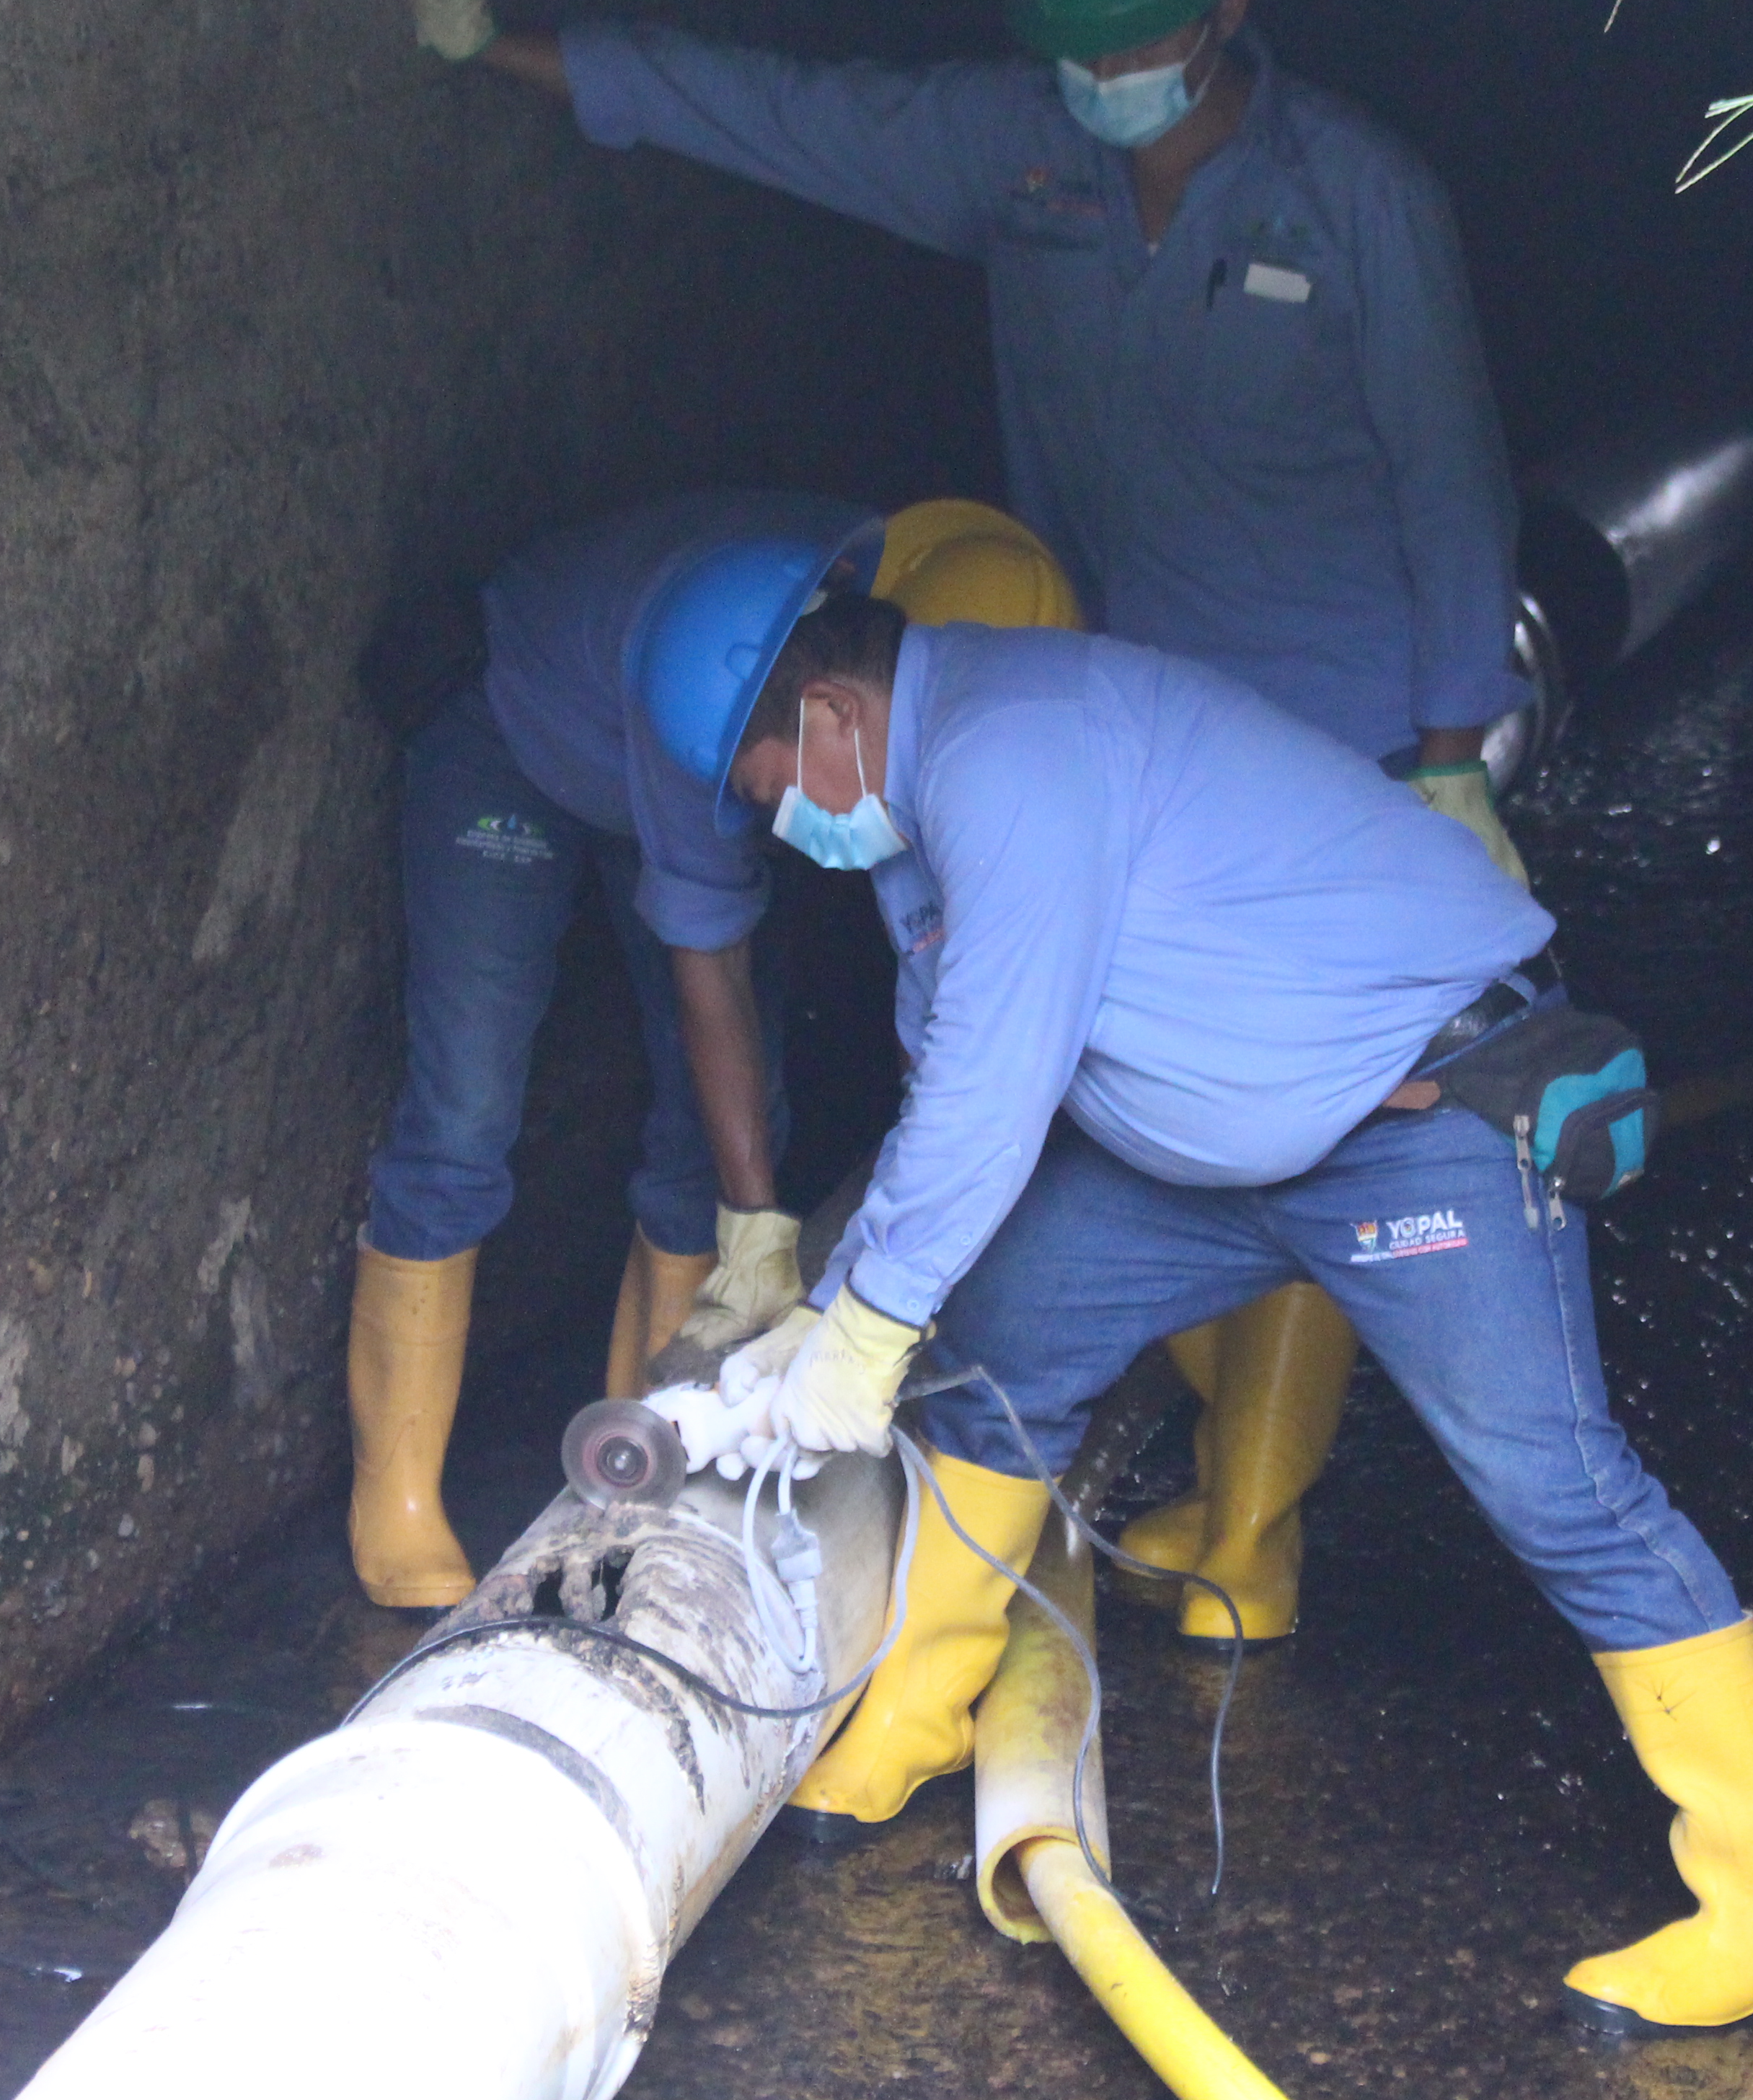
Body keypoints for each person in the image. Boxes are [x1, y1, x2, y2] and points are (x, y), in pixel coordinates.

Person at [410, 0, 1534, 1644]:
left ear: (1225, 16)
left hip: (1336, 734)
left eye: (1131, 39)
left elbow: (1454, 471)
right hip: (1117, 710)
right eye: (1076, 44)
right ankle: (1097, 1485)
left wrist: (1451, 747)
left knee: (1326, 1101)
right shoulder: (1017, 149)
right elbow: (778, 108)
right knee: (1123, 1104)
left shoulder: (1361, 192)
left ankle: (1254, 1521)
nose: (1102, 82)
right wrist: (502, 47)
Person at [635, 542, 1753, 2036]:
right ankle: (920, 1713)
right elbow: (949, 1074)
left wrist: (861, 1321)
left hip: (1424, 1115)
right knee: (1000, 1333)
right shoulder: (927, 805)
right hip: (1219, 1153)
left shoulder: (1012, 756)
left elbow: (992, 1088)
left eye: (764, 787)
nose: (776, 821)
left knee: (1562, 1490)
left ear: (825, 712)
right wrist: (856, 1302)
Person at [342, 493, 1052, 1608]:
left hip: (672, 750)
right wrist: (756, 1224)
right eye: (768, 789)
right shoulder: (711, 706)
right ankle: (398, 1503)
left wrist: (750, 1209)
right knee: (468, 1104)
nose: (783, 812)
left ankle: (641, 1460)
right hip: (515, 741)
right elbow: (706, 975)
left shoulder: (801, 673)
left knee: (710, 1128)